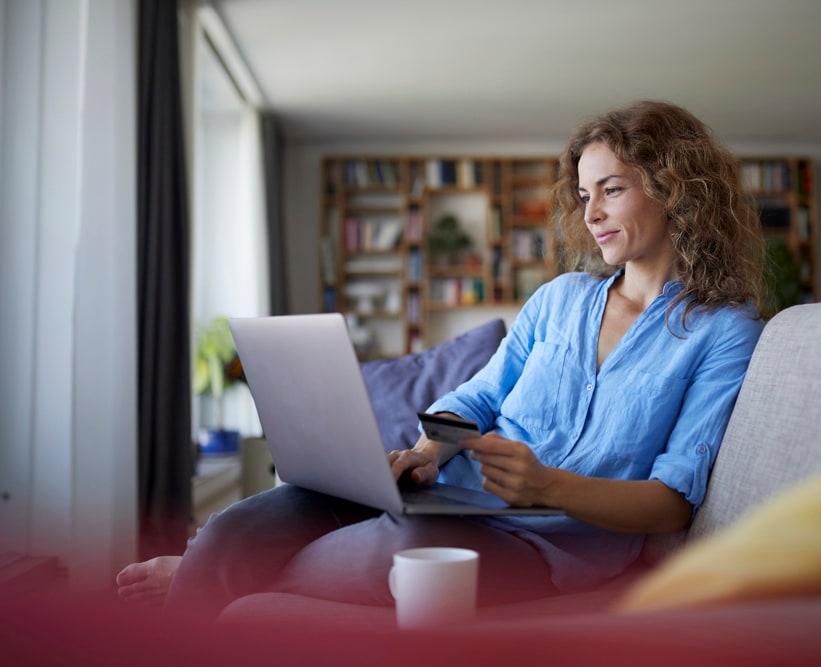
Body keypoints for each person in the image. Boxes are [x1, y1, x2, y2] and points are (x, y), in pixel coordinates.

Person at [118, 100, 768, 617]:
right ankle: (215, 566)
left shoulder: (724, 331)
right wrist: (429, 450)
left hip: (549, 548)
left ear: (673, 190)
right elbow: (477, 397)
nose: (590, 212)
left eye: (611, 189)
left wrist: (548, 487)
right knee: (239, 524)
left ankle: (204, 578)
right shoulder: (560, 299)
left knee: (397, 551)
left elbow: (672, 502)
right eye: (583, 193)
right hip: (452, 496)